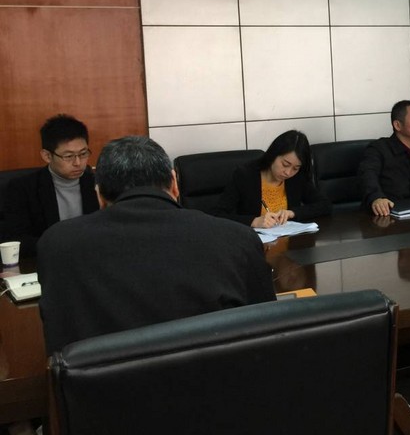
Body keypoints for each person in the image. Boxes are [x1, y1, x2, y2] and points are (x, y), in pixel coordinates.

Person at [37, 136, 275, 354]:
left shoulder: (58, 244)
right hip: (219, 380)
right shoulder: (238, 238)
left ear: (99, 195)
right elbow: (268, 330)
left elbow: (59, 339)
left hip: (105, 385)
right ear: (174, 183)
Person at [2, 114, 99, 257]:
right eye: (68, 156)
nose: (78, 162)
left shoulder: (97, 183)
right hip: (47, 260)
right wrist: (65, 245)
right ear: (47, 156)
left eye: (83, 154)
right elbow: (15, 240)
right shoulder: (22, 188)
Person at [214, 130, 331, 227]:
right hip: (252, 242)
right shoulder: (245, 175)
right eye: (285, 164)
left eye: (295, 168)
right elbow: (217, 214)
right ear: (273, 155)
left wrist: (293, 213)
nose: (288, 173)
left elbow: (325, 205)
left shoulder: (297, 177)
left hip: (290, 241)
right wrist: (253, 221)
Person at [358, 100, 410, 216]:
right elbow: (367, 176)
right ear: (397, 125)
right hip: (383, 216)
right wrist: (377, 197)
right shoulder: (378, 149)